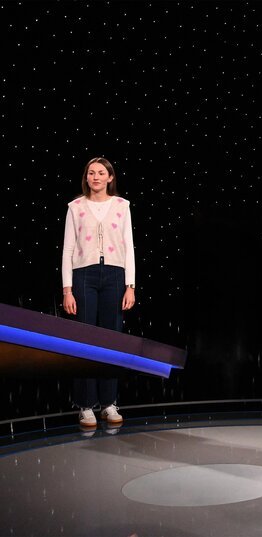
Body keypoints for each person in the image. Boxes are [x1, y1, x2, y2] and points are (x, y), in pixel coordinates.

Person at [62, 157, 136, 429]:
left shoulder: (122, 206)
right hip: (84, 275)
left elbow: (129, 246)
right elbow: (68, 249)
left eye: (101, 173)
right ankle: (85, 406)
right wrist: (67, 288)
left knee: (111, 340)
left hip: (115, 275)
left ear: (110, 178)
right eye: (91, 172)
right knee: (84, 341)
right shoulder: (76, 207)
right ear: (87, 177)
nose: (95, 177)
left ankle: (108, 402)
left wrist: (131, 285)